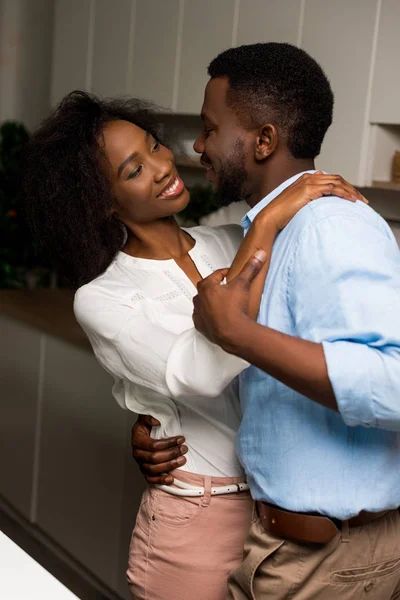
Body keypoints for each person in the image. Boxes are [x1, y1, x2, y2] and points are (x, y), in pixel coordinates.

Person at [24, 90, 362, 600]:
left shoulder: (229, 241)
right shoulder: (102, 297)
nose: (163, 167)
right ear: (101, 201)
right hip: (200, 517)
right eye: (133, 170)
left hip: (283, 510)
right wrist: (270, 219)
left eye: (155, 146)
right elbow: (202, 371)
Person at [131, 43, 400, 599]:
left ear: (264, 140)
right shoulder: (266, 230)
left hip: (331, 561)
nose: (199, 146)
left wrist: (239, 335)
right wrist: (159, 424)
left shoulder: (329, 226)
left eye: (209, 128)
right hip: (288, 549)